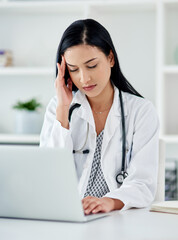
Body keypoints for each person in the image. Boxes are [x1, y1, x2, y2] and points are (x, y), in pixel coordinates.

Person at [40, 19, 159, 215]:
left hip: (118, 219)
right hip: (68, 216)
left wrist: (109, 202)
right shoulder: (58, 108)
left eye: (92, 66)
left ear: (110, 58)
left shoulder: (141, 111)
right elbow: (47, 176)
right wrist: (63, 108)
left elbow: (143, 184)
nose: (84, 78)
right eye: (74, 69)